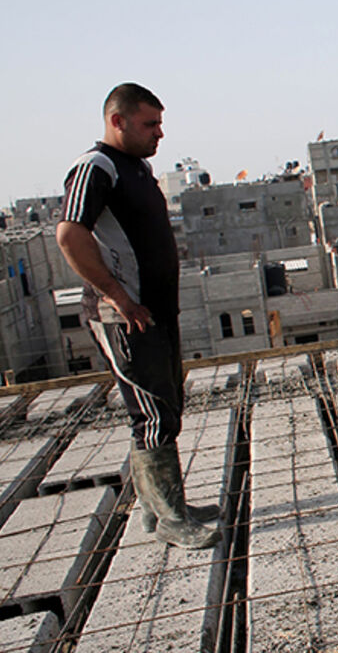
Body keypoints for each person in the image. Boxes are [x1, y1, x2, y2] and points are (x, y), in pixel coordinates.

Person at [57, 83, 220, 549]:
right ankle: (171, 519)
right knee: (151, 413)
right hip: (124, 316)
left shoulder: (137, 169)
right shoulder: (96, 167)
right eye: (150, 124)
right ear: (117, 121)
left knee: (162, 407)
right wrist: (117, 296)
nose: (160, 133)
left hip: (151, 313)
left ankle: (159, 507)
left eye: (160, 124)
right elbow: (70, 234)